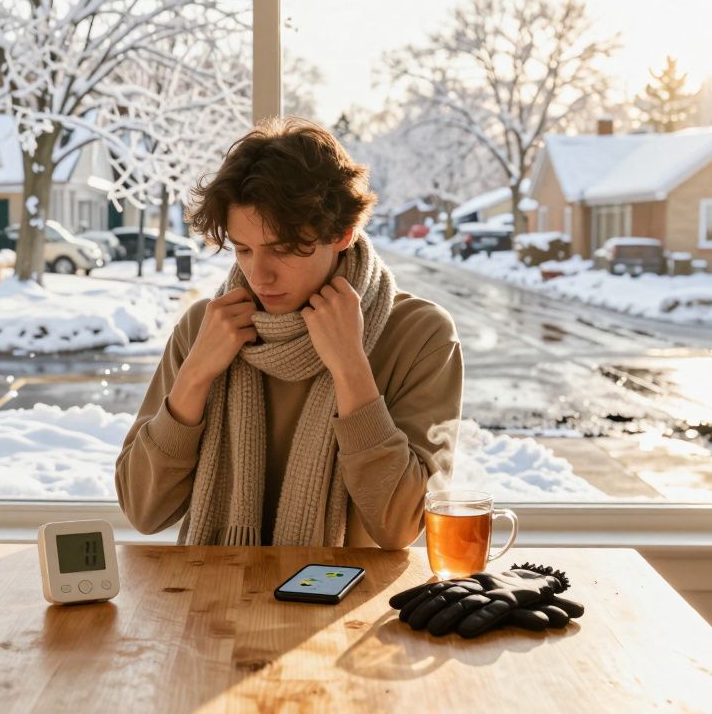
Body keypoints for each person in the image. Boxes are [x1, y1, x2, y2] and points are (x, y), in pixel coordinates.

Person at [114, 117, 463, 548]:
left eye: (282, 249)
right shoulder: (208, 326)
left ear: (341, 234)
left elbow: (401, 527)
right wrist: (195, 375)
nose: (259, 274)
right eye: (243, 249)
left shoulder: (420, 334)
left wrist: (350, 366)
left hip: (346, 605)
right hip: (213, 598)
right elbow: (142, 510)